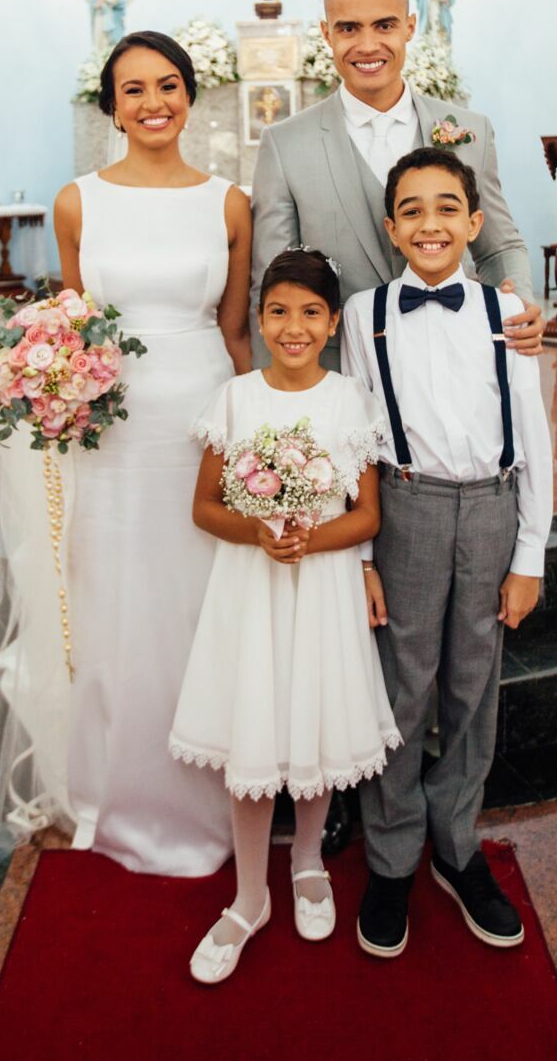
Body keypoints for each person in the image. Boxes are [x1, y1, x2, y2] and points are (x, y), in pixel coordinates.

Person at [0, 30, 251, 876]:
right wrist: (54, 382)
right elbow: (71, 323)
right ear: (110, 106)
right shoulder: (77, 202)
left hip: (200, 418)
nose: (153, 104)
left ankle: (217, 787)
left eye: (168, 85)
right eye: (132, 89)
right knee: (111, 603)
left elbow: (235, 329)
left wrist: (259, 431)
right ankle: (110, 790)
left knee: (196, 602)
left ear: (190, 94)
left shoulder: (227, 203)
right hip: (108, 429)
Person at [341, 146, 552, 956]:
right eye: (412, 210)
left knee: (473, 683)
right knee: (401, 684)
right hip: (406, 507)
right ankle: (392, 858)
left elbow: (530, 434)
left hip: (493, 509)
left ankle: (457, 849)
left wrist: (529, 553)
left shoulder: (507, 312)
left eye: (445, 208)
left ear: (473, 221)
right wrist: (359, 557)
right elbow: (360, 429)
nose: (429, 223)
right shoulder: (366, 314)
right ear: (391, 227)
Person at [169, 247, 399, 983]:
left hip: (323, 586)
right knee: (252, 728)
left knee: (312, 715)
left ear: (332, 324)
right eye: (277, 312)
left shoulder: (349, 402)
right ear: (259, 319)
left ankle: (306, 864)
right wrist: (260, 533)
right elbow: (204, 507)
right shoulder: (236, 400)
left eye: (309, 313)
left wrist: (307, 538)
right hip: (250, 588)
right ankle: (246, 897)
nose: (292, 328)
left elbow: (366, 516)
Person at [251, 0, 543, 369]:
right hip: (340, 371)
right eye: (349, 28)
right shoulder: (284, 145)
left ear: (409, 26)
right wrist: (277, 395)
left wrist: (520, 300)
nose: (367, 45)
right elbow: (268, 284)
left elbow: (498, 246)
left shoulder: (469, 132)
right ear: (326, 34)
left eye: (384, 26)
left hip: (458, 361)